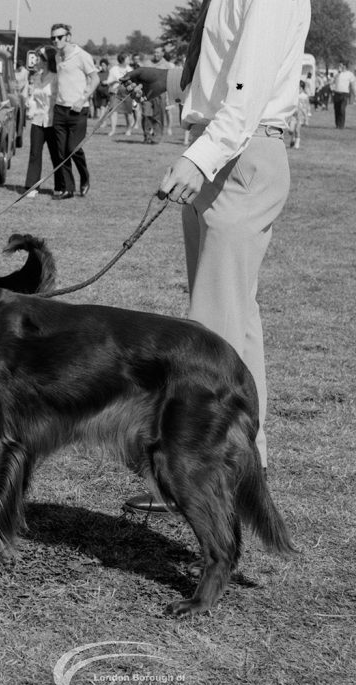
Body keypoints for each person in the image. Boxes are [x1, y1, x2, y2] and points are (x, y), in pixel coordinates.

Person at [122, 0, 311, 515]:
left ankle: (201, 479)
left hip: (238, 154)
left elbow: (247, 89)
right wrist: (164, 78)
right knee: (234, 328)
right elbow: (221, 71)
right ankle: (241, 468)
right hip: (225, 153)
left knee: (211, 333)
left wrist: (200, 158)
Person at [49, 22, 98, 198]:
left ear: (68, 37)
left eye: (59, 37)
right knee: (61, 152)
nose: (55, 40)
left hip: (78, 110)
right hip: (60, 109)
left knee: (73, 148)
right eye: (53, 38)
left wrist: (83, 98)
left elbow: (95, 79)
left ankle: (85, 177)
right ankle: (68, 189)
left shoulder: (82, 56)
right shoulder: (57, 57)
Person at [22, 46, 60, 199]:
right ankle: (32, 186)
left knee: (56, 154)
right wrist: (29, 103)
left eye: (38, 58)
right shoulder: (37, 76)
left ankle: (60, 186)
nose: (36, 60)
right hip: (38, 121)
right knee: (35, 153)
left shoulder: (56, 77)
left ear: (46, 60)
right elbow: (33, 97)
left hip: (53, 121)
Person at [105, 53, 134, 135]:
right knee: (113, 111)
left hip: (127, 93)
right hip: (115, 93)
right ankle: (113, 130)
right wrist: (116, 81)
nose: (129, 60)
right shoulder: (113, 69)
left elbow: (134, 82)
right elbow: (108, 82)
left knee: (128, 112)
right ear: (122, 60)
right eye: (128, 59)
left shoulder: (130, 69)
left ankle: (129, 129)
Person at [330, 61, 356, 128]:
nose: (339, 67)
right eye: (339, 66)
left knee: (342, 109)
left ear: (344, 66)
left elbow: (353, 85)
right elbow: (331, 82)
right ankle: (337, 125)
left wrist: (355, 93)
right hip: (336, 93)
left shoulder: (350, 74)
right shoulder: (337, 73)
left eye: (341, 65)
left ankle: (341, 125)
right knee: (337, 109)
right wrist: (337, 74)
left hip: (344, 94)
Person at [288, 79, 311, 147]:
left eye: (299, 88)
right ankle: (292, 138)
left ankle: (297, 144)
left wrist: (307, 116)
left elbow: (307, 106)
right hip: (293, 116)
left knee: (297, 130)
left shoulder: (305, 96)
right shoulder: (293, 96)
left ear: (302, 88)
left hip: (300, 116)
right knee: (291, 130)